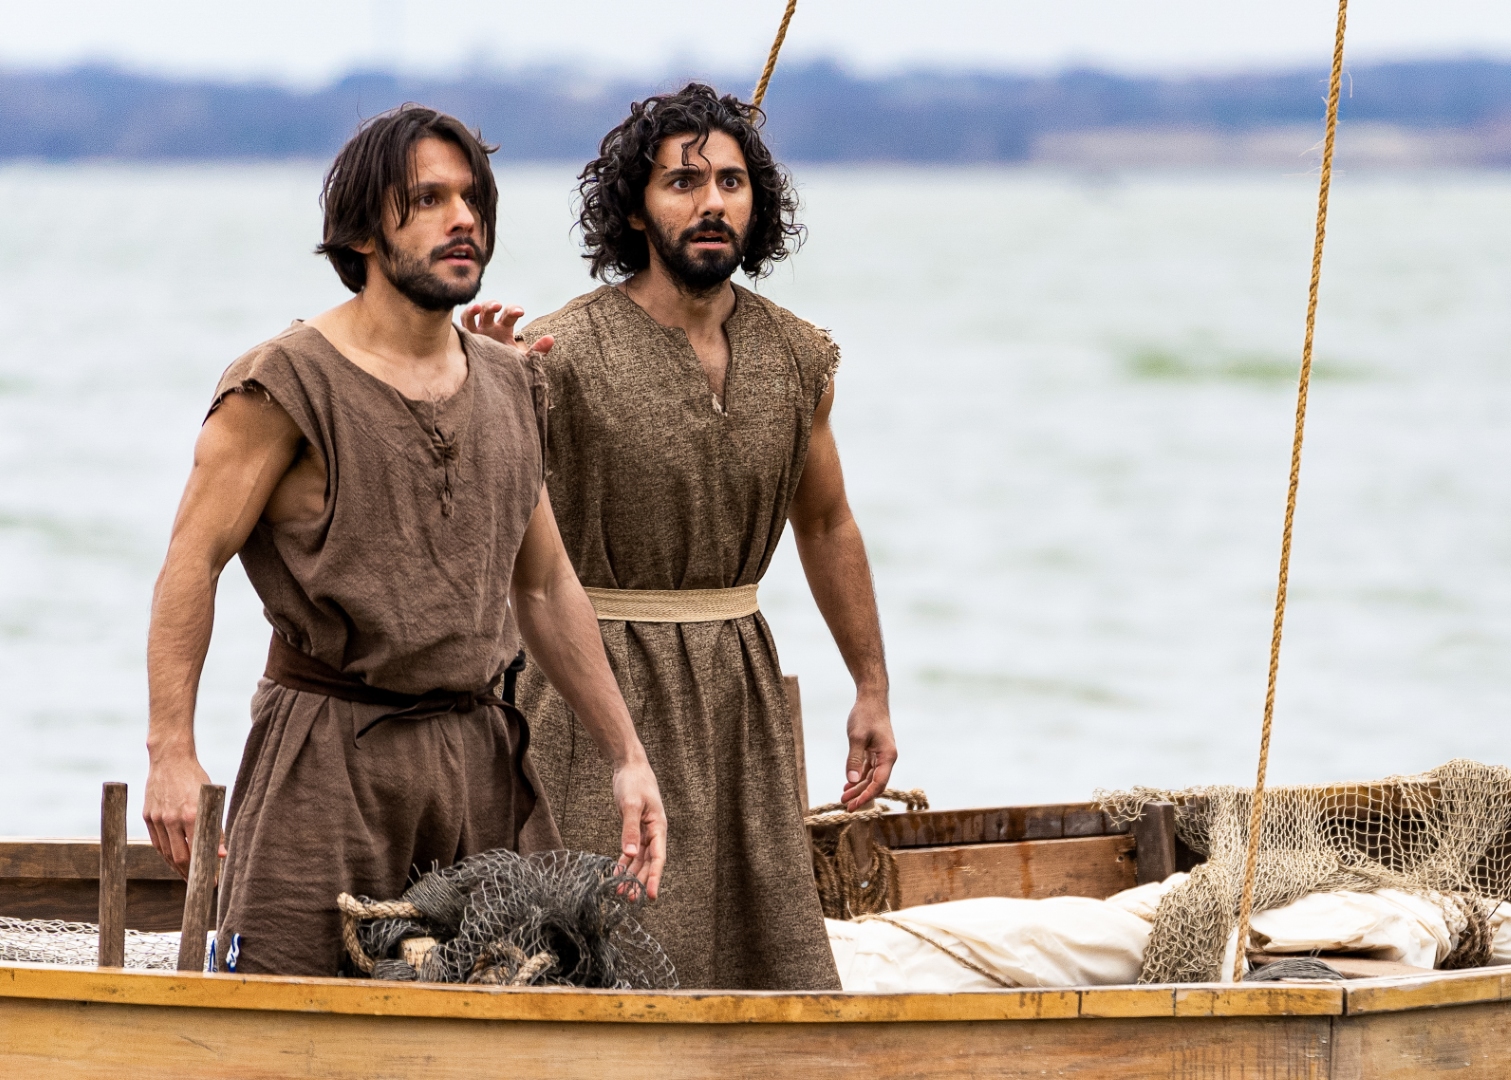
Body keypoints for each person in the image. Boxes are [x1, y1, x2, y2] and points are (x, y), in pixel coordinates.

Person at [143, 105, 666, 978]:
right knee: (291, 1012)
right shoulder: (284, 383)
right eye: (427, 199)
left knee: (516, 1012)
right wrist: (171, 751)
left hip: (480, 758)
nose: (462, 219)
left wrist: (627, 756)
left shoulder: (509, 383)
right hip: (326, 761)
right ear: (361, 231)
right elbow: (191, 562)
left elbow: (543, 587)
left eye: (471, 199)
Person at [463, 83, 895, 990]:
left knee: (755, 955)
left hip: (738, 685)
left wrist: (870, 687)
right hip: (588, 686)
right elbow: (479, 524)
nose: (711, 203)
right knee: (591, 956)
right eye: (682, 182)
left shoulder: (797, 357)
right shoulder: (556, 354)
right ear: (634, 208)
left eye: (731, 182)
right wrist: (483, 388)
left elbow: (826, 523)